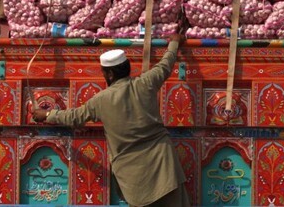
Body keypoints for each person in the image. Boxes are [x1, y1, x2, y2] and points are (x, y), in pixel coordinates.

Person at [33, 38, 189, 207]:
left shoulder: (101, 100)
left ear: (109, 74)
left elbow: (75, 117)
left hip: (134, 178)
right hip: (165, 168)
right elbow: (166, 64)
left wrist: (47, 113)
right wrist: (174, 42)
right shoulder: (146, 82)